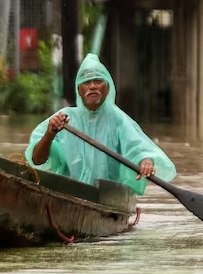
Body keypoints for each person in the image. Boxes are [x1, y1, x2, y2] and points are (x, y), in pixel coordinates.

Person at [25, 53, 176, 195]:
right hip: (69, 192)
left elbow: (139, 148)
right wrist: (49, 134)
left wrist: (146, 162)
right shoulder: (63, 118)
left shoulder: (118, 119)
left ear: (107, 87)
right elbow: (37, 160)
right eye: (86, 82)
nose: (92, 86)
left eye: (98, 81)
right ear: (79, 89)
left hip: (106, 196)